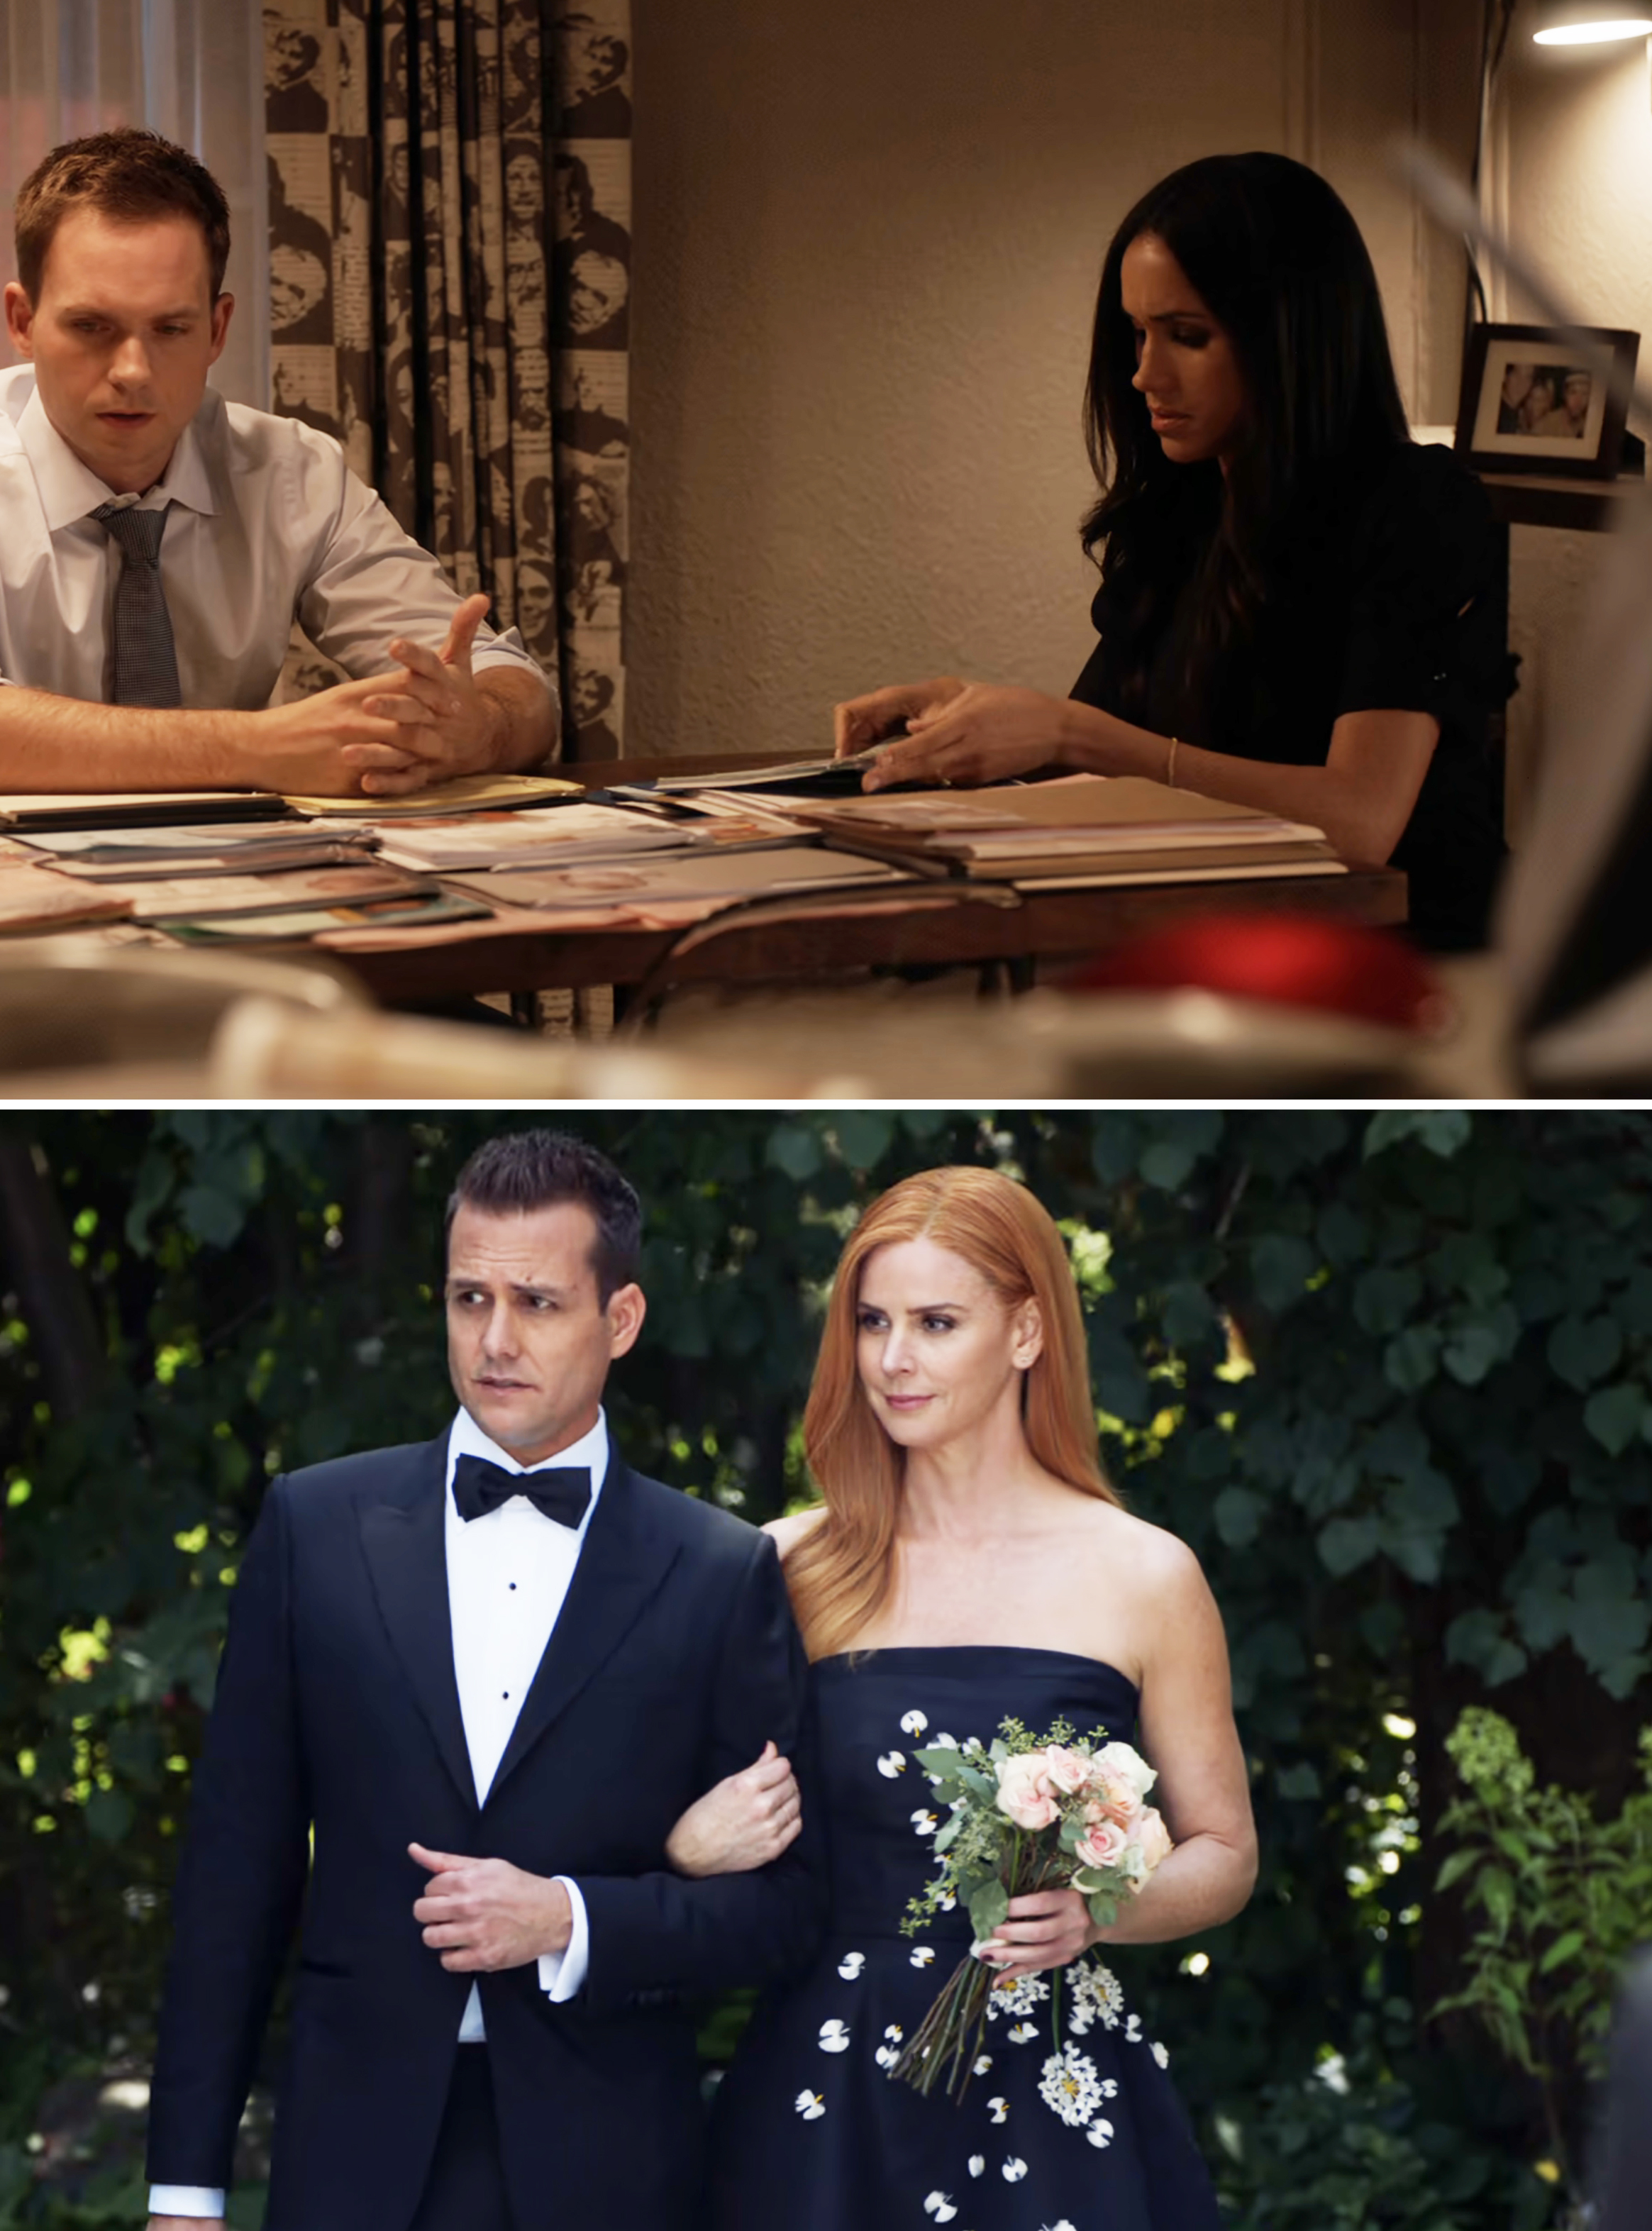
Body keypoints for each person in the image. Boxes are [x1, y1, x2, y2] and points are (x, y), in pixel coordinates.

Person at [143, 1130, 824, 2231]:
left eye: (539, 1304)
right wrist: (184, 2187)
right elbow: (235, 1874)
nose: (495, 1340)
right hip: (351, 2156)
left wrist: (571, 1918)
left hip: (608, 2165)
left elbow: (789, 1913)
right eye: (469, 1298)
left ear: (623, 1320)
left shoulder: (718, 1569)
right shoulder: (314, 1528)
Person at [691, 1165, 1257, 2230]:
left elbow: (1225, 1853)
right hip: (826, 2092)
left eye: (936, 1322)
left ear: (1029, 1331)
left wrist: (1098, 1911)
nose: (893, 1360)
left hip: (1054, 2087)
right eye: (871, 1322)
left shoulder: (1145, 1573)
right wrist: (688, 1840)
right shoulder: (784, 1566)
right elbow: (663, 1818)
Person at [834, 153, 1513, 951]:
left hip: (1410, 968)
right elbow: (1115, 748)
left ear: (1290, 334)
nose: (1144, 374)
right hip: (1220, 949)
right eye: (1136, 333)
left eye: (1187, 337)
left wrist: (1065, 733)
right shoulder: (1184, 508)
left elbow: (1359, 823)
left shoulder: (1419, 508)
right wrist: (972, 711)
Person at [0, 128, 556, 800]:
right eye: (92, 327)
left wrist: (476, 727)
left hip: (222, 875)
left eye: (170, 329)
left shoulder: (292, 474)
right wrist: (257, 747)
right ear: (23, 322)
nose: (132, 371)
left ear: (216, 329)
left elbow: (510, 685)